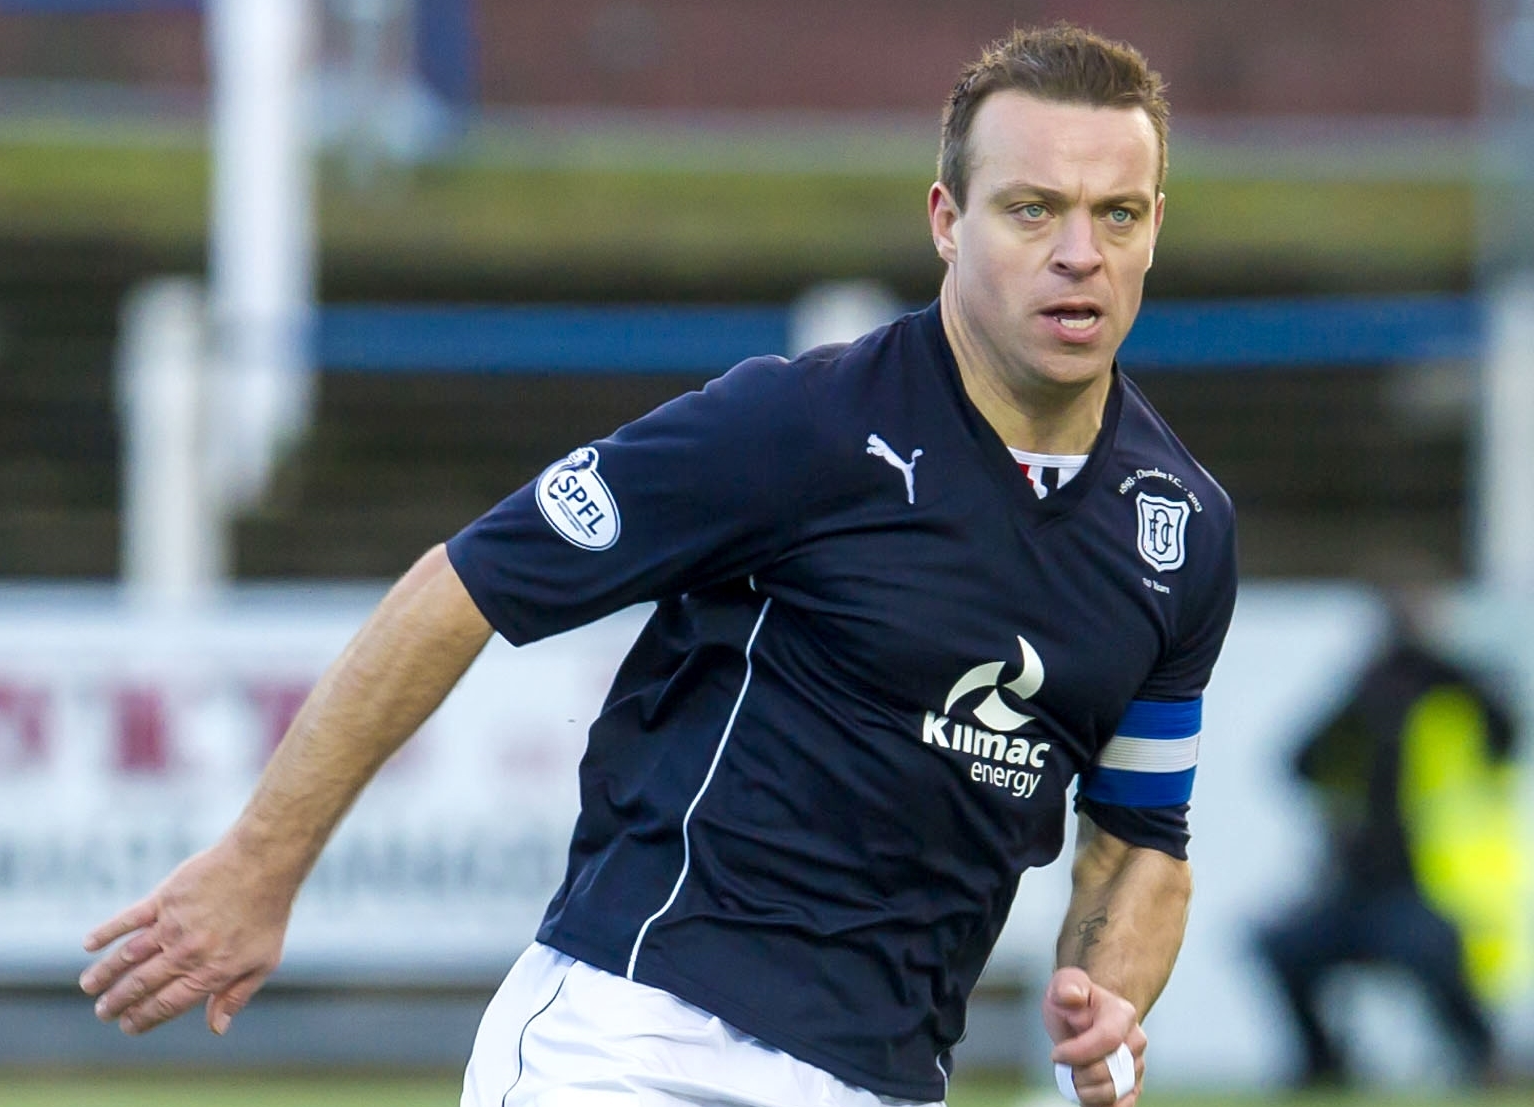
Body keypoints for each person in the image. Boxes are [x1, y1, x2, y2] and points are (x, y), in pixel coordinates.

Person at [79, 24, 1236, 1107]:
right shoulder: (801, 429)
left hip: (885, 1076)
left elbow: (1144, 841)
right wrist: (260, 865)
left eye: (1117, 215)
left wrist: (1112, 995)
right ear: (947, 218)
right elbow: (467, 585)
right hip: (639, 1035)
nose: (1080, 254)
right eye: (1033, 210)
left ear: (1156, 227)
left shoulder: (1178, 530)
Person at [1256, 589, 1517, 1087]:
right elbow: (1301, 761)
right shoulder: (1370, 698)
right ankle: (1323, 1064)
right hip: (1361, 890)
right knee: (1282, 946)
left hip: (1440, 887)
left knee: (1424, 949)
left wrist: (1448, 672)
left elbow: (1508, 741)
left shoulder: (1459, 692)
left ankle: (1484, 1057)